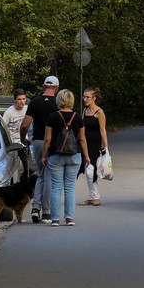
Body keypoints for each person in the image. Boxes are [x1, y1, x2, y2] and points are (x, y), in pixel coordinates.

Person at [42, 89, 90, 226]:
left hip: (55, 155)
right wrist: (86, 156)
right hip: (74, 155)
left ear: (59, 100)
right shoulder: (78, 117)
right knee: (70, 187)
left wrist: (43, 156)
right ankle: (69, 218)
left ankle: (55, 219)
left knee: (56, 187)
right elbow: (82, 139)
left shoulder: (53, 117)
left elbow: (47, 139)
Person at [20, 75, 60, 223]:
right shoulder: (59, 102)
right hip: (53, 142)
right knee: (49, 175)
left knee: (41, 174)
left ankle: (35, 208)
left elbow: (25, 125)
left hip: (37, 141)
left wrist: (23, 138)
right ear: (56, 88)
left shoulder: (35, 102)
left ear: (43, 87)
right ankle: (46, 212)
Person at [78, 87, 109, 206]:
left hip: (95, 144)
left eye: (87, 97)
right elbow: (81, 127)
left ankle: (95, 197)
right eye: (84, 97)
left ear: (94, 98)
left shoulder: (99, 112)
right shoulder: (85, 110)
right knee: (87, 169)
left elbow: (103, 130)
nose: (85, 99)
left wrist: (106, 146)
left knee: (91, 170)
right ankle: (92, 196)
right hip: (85, 143)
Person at [1, 88, 30, 176]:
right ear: (15, 100)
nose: (22, 102)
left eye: (24, 99)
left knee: (28, 168)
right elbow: (3, 128)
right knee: (12, 168)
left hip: (23, 142)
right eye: (19, 99)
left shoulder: (27, 109)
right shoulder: (9, 112)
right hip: (12, 144)